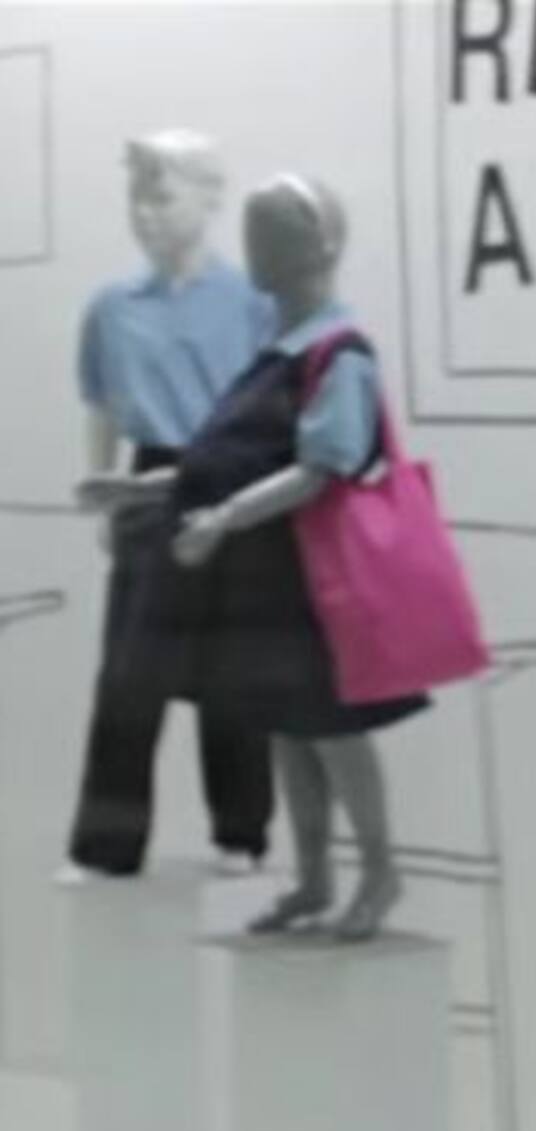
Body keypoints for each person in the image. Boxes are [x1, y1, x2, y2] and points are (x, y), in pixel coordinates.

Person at [82, 174, 428, 940]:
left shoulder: (338, 351)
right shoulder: (277, 350)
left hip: (318, 581)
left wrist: (222, 520)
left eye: (274, 235)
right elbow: (229, 461)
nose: (257, 250)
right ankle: (313, 879)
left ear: (319, 248)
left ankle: (379, 872)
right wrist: (141, 488)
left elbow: (319, 469)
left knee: (335, 729)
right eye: (255, 233)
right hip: (273, 580)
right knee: (292, 730)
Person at [63, 130, 275, 882]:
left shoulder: (253, 302)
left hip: (229, 477)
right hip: (147, 477)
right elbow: (100, 405)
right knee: (129, 674)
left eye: (161, 196)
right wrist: (103, 492)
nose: (145, 213)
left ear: (209, 199)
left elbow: (270, 406)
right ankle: (106, 846)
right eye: (136, 198)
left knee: (235, 668)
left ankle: (241, 835)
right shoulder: (112, 308)